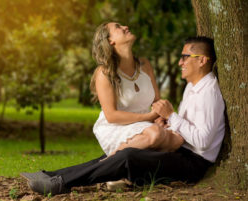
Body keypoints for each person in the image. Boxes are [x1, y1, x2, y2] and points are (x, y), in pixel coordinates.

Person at [21, 34, 225, 196]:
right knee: (125, 149)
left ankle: (63, 182)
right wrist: (167, 121)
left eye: (185, 57)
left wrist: (172, 116)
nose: (180, 62)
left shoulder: (209, 93)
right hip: (180, 150)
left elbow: (203, 141)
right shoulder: (193, 86)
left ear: (202, 61)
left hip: (194, 164)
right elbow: (188, 127)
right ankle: (52, 176)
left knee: (127, 156)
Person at [90, 22, 183, 157]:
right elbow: (111, 116)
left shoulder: (144, 64)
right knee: (156, 135)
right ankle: (111, 160)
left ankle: (130, 168)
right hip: (117, 127)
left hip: (146, 125)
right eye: (118, 27)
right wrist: (149, 117)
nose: (125, 27)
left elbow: (156, 101)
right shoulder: (104, 72)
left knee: (178, 139)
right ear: (110, 41)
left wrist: (160, 118)